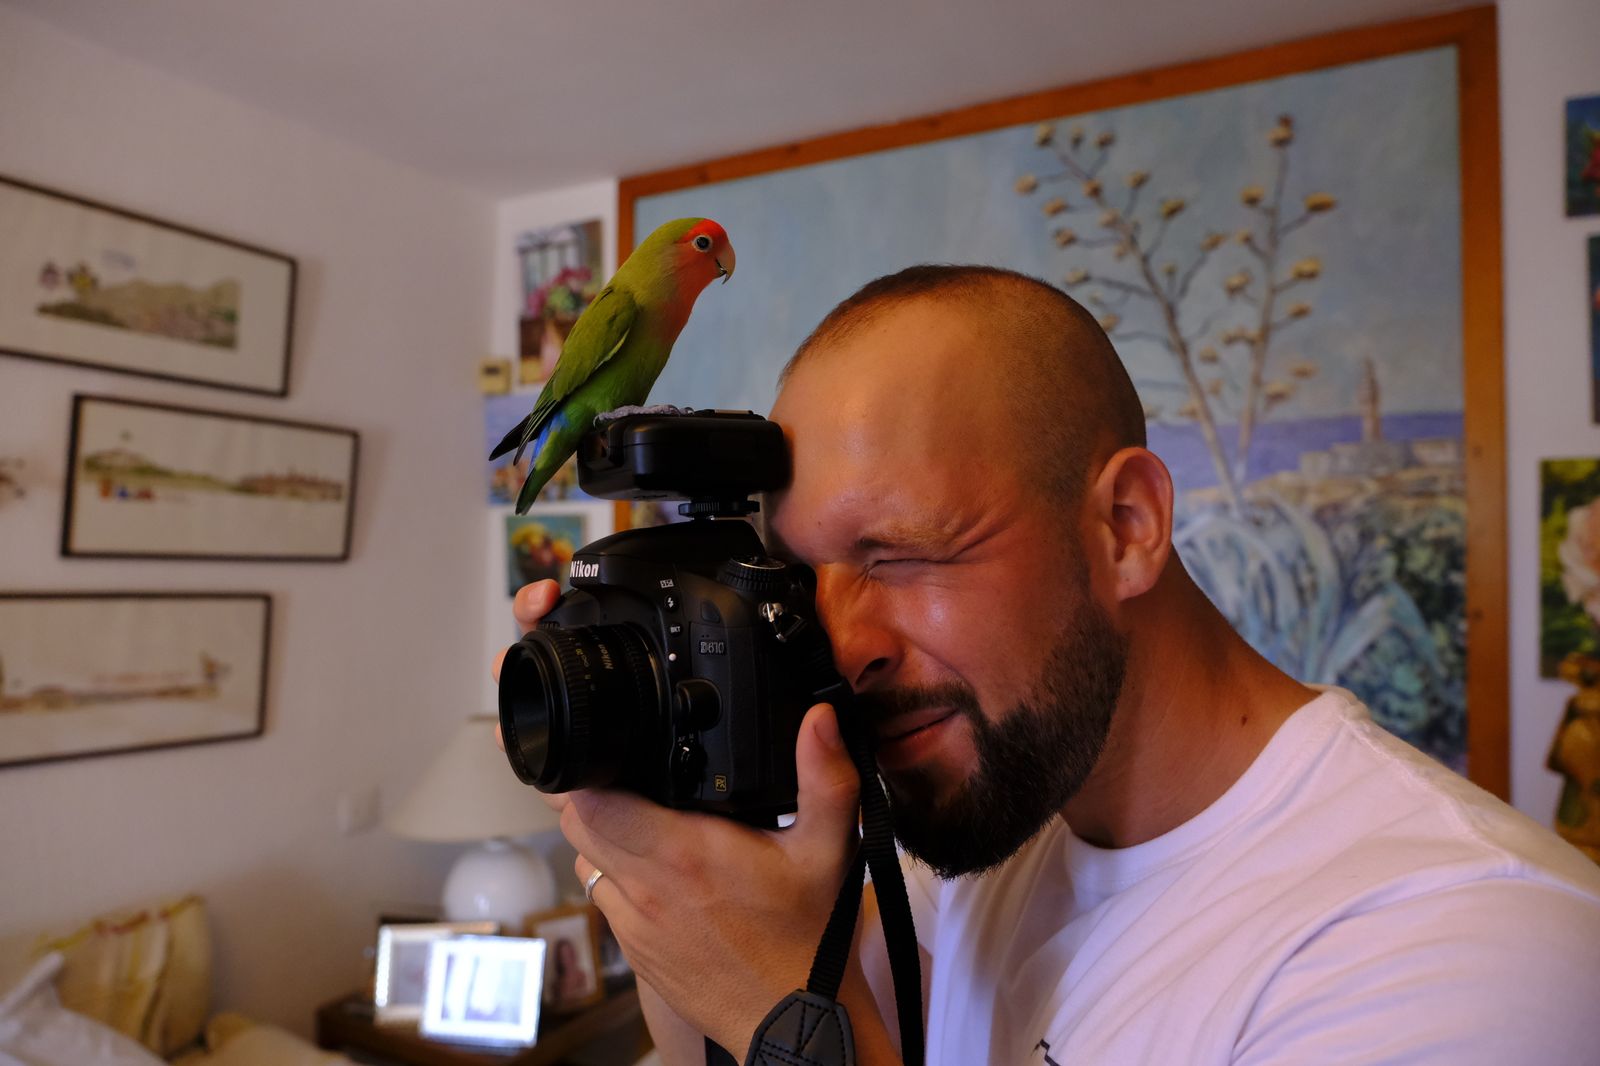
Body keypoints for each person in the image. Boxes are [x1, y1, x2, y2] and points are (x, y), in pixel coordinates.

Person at [496, 265, 1600, 1064]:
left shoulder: (1467, 943)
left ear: (1124, 524)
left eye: (901, 552)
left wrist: (793, 1018)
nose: (845, 642)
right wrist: (672, 868)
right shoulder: (976, 832)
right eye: (800, 577)